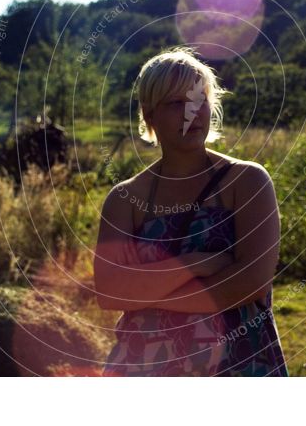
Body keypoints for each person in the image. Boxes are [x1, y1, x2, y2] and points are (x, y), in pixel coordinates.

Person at [94, 46, 288, 376]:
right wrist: (197, 264)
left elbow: (252, 282)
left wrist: (146, 295)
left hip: (237, 365)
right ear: (149, 114)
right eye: (176, 103)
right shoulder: (125, 199)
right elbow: (110, 292)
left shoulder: (247, 181)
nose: (192, 112)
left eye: (199, 99)